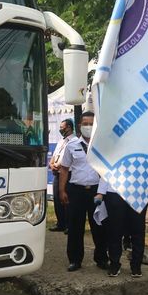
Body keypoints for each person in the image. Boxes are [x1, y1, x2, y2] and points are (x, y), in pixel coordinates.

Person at [59, 112, 107, 272]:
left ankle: (101, 258)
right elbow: (64, 169)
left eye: (91, 124)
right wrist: (62, 190)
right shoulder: (71, 145)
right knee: (75, 227)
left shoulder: (101, 145)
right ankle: (74, 260)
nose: (88, 126)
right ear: (79, 126)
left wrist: (102, 192)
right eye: (85, 123)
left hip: (96, 192)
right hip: (76, 191)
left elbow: (106, 171)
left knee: (99, 226)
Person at [97, 177, 147, 277]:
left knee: (138, 230)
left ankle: (136, 266)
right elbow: (105, 167)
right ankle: (114, 264)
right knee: (114, 230)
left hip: (138, 191)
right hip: (114, 191)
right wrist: (101, 192)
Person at [49, 118, 76, 233]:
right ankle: (60, 223)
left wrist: (58, 166)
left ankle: (70, 225)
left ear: (69, 127)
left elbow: (68, 158)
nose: (60, 129)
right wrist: (51, 164)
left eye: (62, 127)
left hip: (67, 174)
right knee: (57, 199)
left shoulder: (74, 141)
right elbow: (55, 155)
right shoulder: (61, 141)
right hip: (57, 174)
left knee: (67, 200)